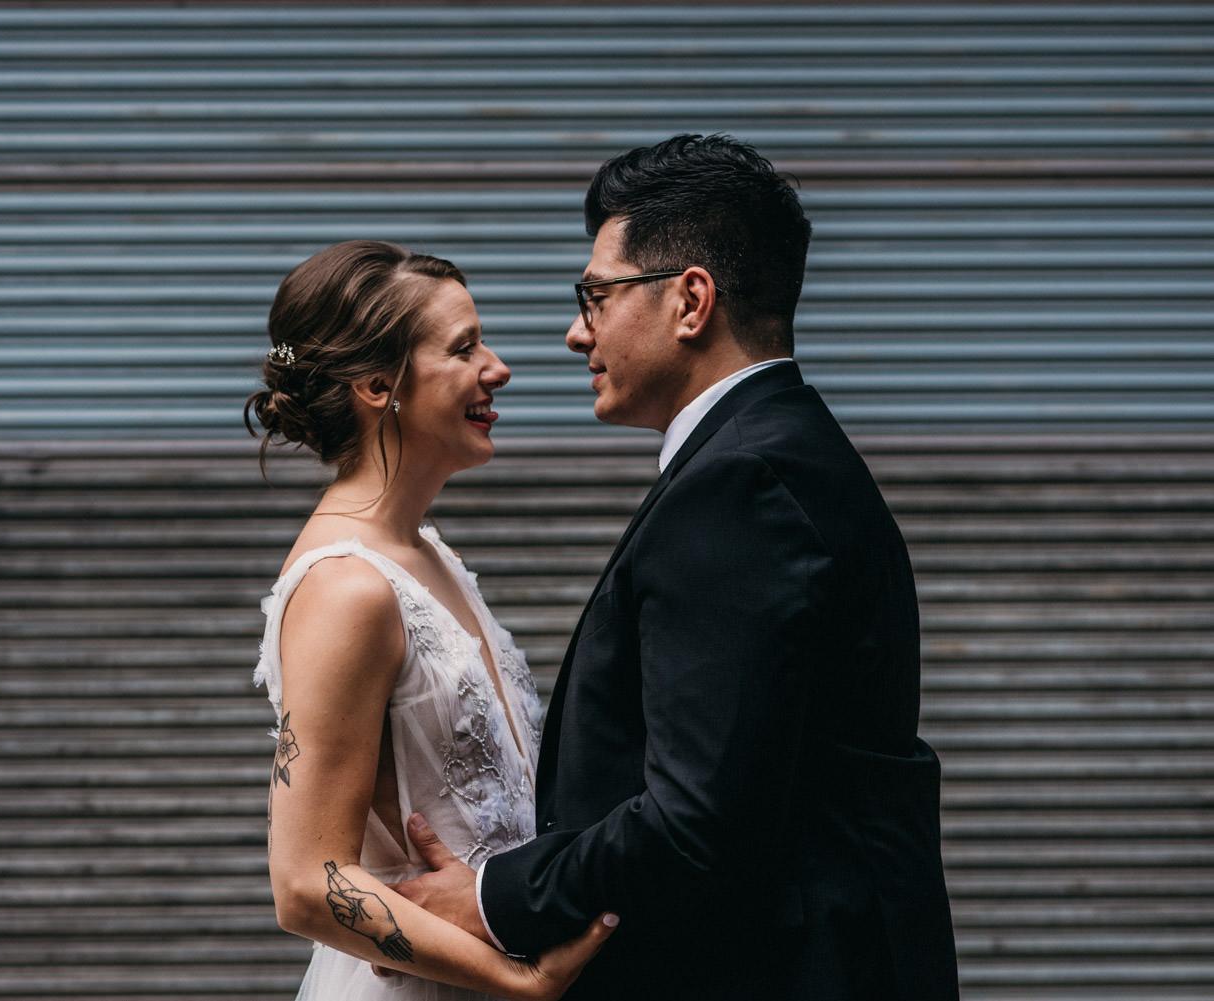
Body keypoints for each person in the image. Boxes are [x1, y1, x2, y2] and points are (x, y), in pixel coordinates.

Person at [390, 135, 961, 999]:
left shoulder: (743, 487)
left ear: (692, 300)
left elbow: (700, 821)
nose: (576, 332)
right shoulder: (784, 455)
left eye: (596, 294)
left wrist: (490, 896)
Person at [246, 240, 616, 1001]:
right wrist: (516, 978)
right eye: (465, 347)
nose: (499, 367)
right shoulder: (347, 589)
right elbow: (304, 881)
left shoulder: (426, 552)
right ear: (380, 384)